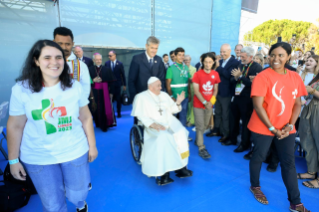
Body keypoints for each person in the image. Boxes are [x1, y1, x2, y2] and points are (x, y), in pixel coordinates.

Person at [7, 40, 98, 212]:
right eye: (47, 57)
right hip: (38, 156)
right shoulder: (21, 89)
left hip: (74, 150)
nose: (54, 62)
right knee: (52, 205)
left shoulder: (74, 87)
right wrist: (13, 160)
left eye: (59, 57)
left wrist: (92, 146)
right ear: (36, 61)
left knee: (78, 194)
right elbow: (15, 126)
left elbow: (85, 117)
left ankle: (80, 203)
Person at [247, 42, 310, 212]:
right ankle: (255, 186)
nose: (276, 59)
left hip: (286, 128)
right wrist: (273, 129)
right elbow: (258, 106)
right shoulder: (262, 76)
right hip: (263, 126)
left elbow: (297, 104)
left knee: (289, 163)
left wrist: (290, 125)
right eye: (273, 55)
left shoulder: (295, 77)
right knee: (259, 156)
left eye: (281, 55)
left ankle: (296, 203)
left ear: (288, 57)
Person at [131, 77, 193, 186]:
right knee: (164, 137)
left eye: (161, 85)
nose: (161, 87)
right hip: (152, 125)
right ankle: (164, 172)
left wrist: (178, 102)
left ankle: (181, 167)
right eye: (158, 85)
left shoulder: (164, 95)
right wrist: (152, 124)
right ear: (151, 87)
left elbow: (173, 109)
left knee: (181, 133)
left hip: (168, 121)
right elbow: (140, 115)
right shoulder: (141, 97)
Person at [222, 47, 262, 153]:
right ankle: (232, 139)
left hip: (247, 99)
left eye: (243, 57)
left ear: (250, 57)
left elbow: (253, 84)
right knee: (233, 119)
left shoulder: (256, 67)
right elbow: (232, 79)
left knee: (245, 123)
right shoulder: (239, 65)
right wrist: (236, 78)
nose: (241, 58)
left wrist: (240, 77)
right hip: (236, 96)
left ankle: (244, 144)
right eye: (240, 56)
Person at [207, 44, 240, 141]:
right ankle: (216, 130)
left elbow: (229, 76)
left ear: (230, 51)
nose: (222, 54)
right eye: (221, 52)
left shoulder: (235, 62)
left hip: (227, 93)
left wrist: (219, 67)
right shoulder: (219, 61)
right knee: (217, 112)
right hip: (216, 92)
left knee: (225, 114)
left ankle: (225, 133)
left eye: (224, 52)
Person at [297, 56, 319, 189]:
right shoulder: (314, 76)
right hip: (308, 108)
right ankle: (311, 171)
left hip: (317, 109)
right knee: (307, 140)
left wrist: (313, 91)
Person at [192, 53, 220, 159]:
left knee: (204, 126)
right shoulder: (197, 74)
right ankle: (201, 148)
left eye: (210, 62)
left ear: (213, 62)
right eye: (206, 62)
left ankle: (197, 141)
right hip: (198, 105)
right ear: (202, 62)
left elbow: (215, 89)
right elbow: (196, 91)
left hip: (210, 105)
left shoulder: (215, 74)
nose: (208, 64)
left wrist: (211, 102)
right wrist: (205, 103)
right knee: (200, 126)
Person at [53, 27, 91, 99]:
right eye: (60, 43)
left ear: (72, 44)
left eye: (67, 44)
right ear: (54, 42)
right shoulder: (47, 63)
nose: (64, 47)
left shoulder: (81, 65)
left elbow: (85, 90)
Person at [128, 36, 166, 108]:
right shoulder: (137, 59)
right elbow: (131, 80)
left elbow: (162, 80)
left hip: (155, 98)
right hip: (141, 98)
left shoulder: (159, 59)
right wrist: (134, 98)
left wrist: (161, 95)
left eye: (156, 48)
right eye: (152, 48)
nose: (154, 50)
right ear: (146, 46)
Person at [89, 53, 117, 132]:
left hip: (104, 92)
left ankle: (104, 125)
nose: (99, 61)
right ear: (93, 60)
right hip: (93, 92)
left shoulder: (107, 69)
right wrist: (93, 80)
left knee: (104, 108)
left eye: (100, 59)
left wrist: (111, 92)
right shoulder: (89, 69)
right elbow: (85, 81)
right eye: (97, 59)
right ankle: (97, 123)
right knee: (95, 108)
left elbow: (112, 82)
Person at [166, 47, 191, 130]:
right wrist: (171, 96)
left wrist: (189, 94)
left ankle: (182, 135)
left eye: (183, 55)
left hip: (185, 97)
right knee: (173, 116)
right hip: (175, 97)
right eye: (179, 55)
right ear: (175, 56)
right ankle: (172, 135)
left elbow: (189, 82)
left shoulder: (186, 68)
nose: (181, 57)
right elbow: (167, 84)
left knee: (183, 116)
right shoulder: (171, 68)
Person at [105, 50, 127, 118]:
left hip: (117, 84)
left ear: (115, 55)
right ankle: (111, 113)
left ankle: (119, 112)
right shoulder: (107, 63)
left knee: (118, 99)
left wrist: (124, 84)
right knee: (109, 100)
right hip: (109, 85)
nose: (109, 57)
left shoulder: (120, 64)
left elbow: (123, 74)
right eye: (108, 55)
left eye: (110, 56)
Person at [184, 55, 196, 127]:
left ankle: (191, 120)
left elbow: (193, 80)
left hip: (191, 89)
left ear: (190, 60)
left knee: (191, 106)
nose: (187, 61)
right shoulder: (182, 68)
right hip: (184, 90)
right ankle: (186, 119)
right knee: (186, 106)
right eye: (185, 60)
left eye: (188, 60)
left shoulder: (194, 69)